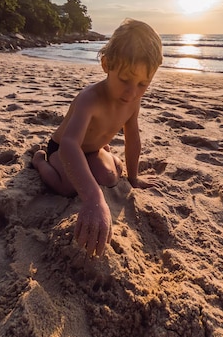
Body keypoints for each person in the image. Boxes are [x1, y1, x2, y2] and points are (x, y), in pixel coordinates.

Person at [32, 18, 163, 257]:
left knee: (110, 177)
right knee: (67, 187)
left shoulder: (133, 100)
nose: (131, 92)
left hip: (93, 149)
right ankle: (39, 162)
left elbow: (132, 138)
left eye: (143, 83)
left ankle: (104, 154)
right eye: (125, 80)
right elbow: (70, 144)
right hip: (62, 148)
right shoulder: (90, 98)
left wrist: (134, 178)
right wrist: (93, 198)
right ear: (106, 65)